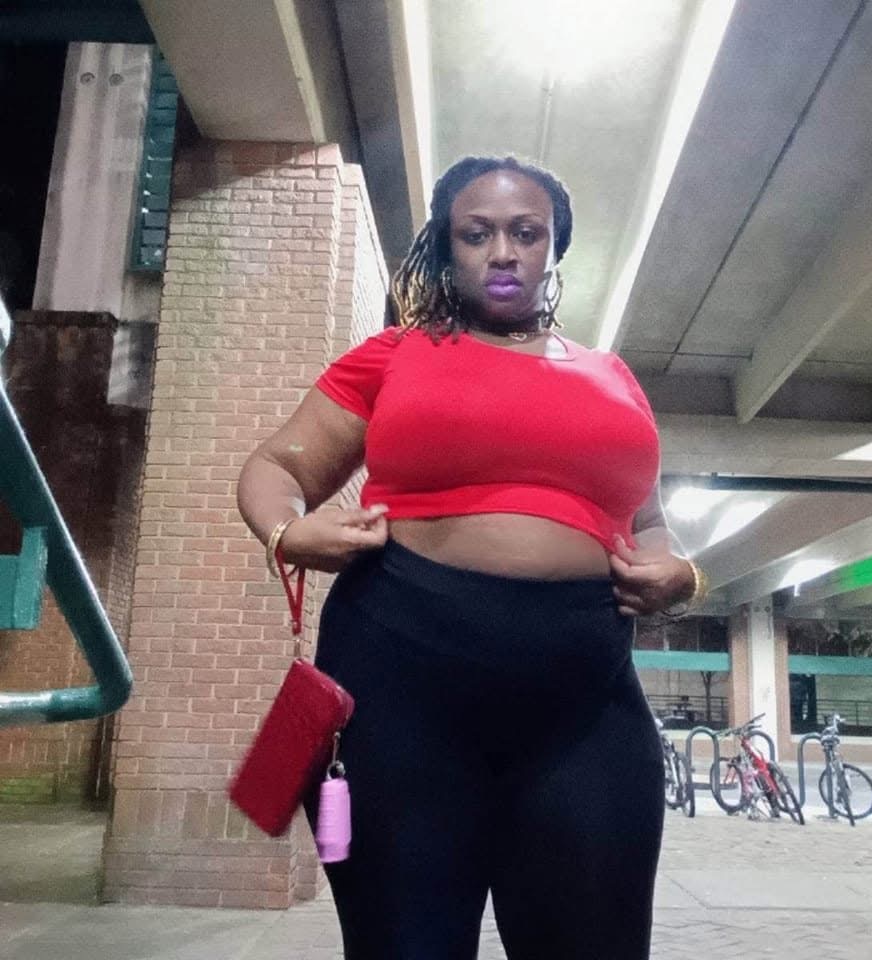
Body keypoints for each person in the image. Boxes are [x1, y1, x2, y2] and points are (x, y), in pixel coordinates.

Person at [237, 155, 704, 960]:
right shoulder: (394, 355)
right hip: (399, 686)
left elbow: (649, 522)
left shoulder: (613, 377)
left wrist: (682, 572)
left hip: (585, 704)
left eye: (527, 233)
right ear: (446, 246)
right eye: (477, 233)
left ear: (554, 247)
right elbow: (277, 467)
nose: (503, 252)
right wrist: (289, 532)